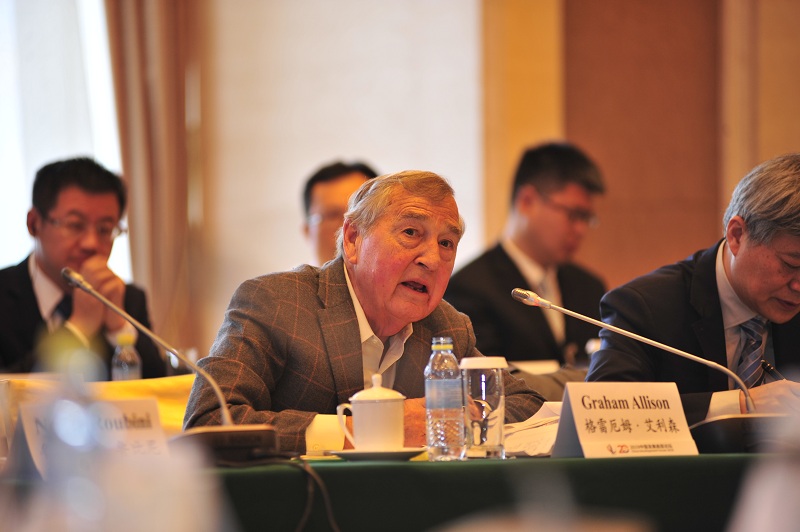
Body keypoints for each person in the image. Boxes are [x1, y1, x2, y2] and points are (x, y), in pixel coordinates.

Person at [185, 170, 544, 454]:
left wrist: (459, 414)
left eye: (446, 243)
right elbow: (209, 422)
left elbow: (523, 402)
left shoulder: (446, 325)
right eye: (411, 232)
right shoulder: (276, 303)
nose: (433, 259)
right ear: (353, 240)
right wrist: (366, 429)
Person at [586, 153, 800, 425]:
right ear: (736, 235)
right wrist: (739, 404)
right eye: (791, 264)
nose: (798, 285)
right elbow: (603, 413)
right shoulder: (644, 307)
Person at [445, 143, 606, 396]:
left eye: (587, 218)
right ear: (527, 200)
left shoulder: (589, 287)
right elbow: (486, 386)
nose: (580, 230)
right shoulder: (470, 287)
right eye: (574, 215)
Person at [0, 157, 165, 379]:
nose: (91, 243)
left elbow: (162, 389)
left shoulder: (128, 299)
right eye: (75, 225)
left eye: (105, 229)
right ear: (34, 223)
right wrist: (79, 327)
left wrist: (119, 328)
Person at [302, 160, 378, 266]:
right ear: (307, 231)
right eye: (333, 216)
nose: (349, 228)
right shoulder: (288, 277)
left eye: (362, 214)